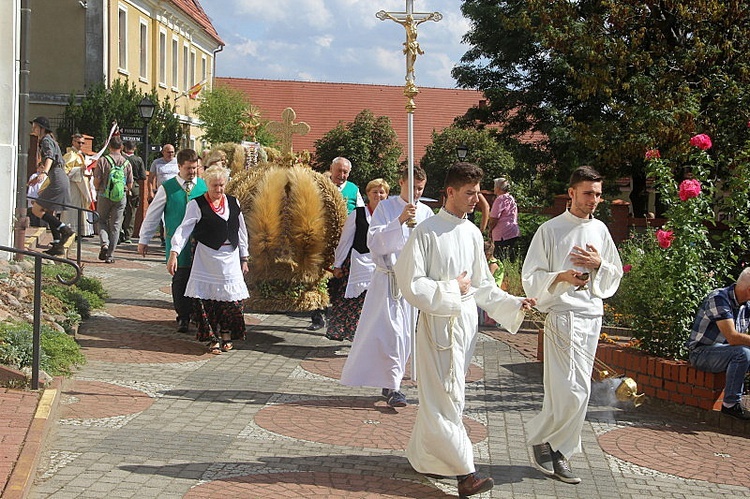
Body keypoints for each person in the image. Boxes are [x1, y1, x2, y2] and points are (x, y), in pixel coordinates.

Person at [394, 162, 536, 497]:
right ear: (450, 192)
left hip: (465, 328)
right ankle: (464, 473)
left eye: (478, 193)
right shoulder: (426, 232)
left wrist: (513, 303)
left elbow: (483, 285)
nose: (476, 199)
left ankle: (423, 456)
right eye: (469, 193)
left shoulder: (472, 233)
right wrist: (450, 289)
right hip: (437, 326)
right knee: (445, 396)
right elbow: (410, 283)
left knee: (449, 398)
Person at [522, 166, 623, 484]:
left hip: (591, 315)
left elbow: (614, 273)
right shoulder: (550, 230)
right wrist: (561, 277)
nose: (594, 200)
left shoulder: (601, 230)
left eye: (597, 194)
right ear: (571, 193)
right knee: (568, 388)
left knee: (577, 388)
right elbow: (530, 276)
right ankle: (550, 443)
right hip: (562, 315)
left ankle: (557, 448)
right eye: (588, 193)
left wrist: (598, 265)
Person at [339, 166, 433, 408]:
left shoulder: (426, 212)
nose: (416, 193)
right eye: (412, 187)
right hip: (388, 280)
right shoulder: (386, 207)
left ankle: (392, 381)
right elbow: (375, 242)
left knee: (405, 335)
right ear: (401, 182)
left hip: (411, 283)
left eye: (420, 189)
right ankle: (394, 387)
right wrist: (400, 221)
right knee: (392, 333)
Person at [167, 165, 250, 354]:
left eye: (221, 185)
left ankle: (227, 334)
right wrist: (174, 253)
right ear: (207, 185)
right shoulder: (196, 204)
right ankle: (212, 338)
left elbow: (241, 231)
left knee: (232, 301)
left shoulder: (233, 202)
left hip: (230, 257)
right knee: (207, 301)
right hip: (207, 257)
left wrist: (244, 257)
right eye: (214, 186)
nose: (218, 190)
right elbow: (184, 230)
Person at [138, 149, 207, 333]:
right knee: (180, 279)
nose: (192, 172)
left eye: (195, 168)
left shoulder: (203, 186)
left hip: (200, 244)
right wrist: (144, 239)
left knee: (199, 280)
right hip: (177, 244)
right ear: (179, 167)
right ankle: (182, 316)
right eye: (189, 168)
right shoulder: (168, 188)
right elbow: (153, 214)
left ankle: (196, 314)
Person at [326, 178, 390, 341]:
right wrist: (337, 264)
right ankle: (354, 336)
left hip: (381, 265)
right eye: (374, 192)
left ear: (387, 195)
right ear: (368, 194)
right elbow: (345, 240)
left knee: (377, 304)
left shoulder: (390, 216)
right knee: (355, 302)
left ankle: (372, 337)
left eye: (382, 192)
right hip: (358, 264)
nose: (378, 195)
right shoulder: (358, 214)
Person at [308, 156, 365, 331]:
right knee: (318, 278)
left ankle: (337, 318)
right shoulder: (320, 187)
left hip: (345, 242)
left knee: (339, 279)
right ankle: (317, 316)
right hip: (322, 241)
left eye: (345, 172)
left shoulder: (353, 189)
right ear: (331, 170)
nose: (342, 175)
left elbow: (361, 214)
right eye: (339, 171)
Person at [686, 269, 750, 420]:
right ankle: (730, 404)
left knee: (743, 352)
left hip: (726, 352)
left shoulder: (746, 304)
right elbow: (733, 337)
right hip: (701, 353)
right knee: (743, 353)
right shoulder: (719, 298)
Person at [29, 116, 76, 256]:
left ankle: (64, 230)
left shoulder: (45, 140)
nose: (33, 129)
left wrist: (43, 172)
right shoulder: (50, 140)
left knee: (36, 209)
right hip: (59, 177)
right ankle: (57, 244)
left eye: (35, 126)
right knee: (48, 211)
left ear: (42, 128)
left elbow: (49, 157)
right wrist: (39, 177)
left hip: (57, 179)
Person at [93, 136, 133, 264]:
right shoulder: (126, 162)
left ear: (109, 146)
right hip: (120, 197)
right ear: (121, 147)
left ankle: (104, 243)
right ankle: (110, 255)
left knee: (101, 220)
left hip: (104, 195)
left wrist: (98, 189)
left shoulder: (103, 160)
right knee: (116, 225)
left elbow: (97, 180)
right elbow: (130, 183)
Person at [61, 133, 94, 237]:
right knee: (71, 209)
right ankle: (69, 231)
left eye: (82, 143)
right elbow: (65, 171)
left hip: (81, 186)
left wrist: (88, 172)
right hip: (72, 186)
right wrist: (80, 169)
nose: (81, 144)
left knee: (80, 209)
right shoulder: (69, 155)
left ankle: (79, 232)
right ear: (73, 142)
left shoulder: (81, 155)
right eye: (79, 142)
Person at [148, 143, 178, 246]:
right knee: (162, 215)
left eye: (172, 152)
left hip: (175, 192)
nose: (171, 154)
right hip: (162, 192)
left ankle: (173, 236)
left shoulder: (177, 162)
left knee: (174, 214)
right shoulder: (157, 163)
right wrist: (151, 191)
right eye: (168, 152)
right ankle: (164, 238)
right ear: (163, 152)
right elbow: (150, 179)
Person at [120, 140, 148, 244]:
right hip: (134, 186)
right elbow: (143, 176)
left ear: (124, 147)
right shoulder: (138, 159)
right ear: (135, 148)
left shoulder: (121, 158)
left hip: (120, 186)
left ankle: (119, 232)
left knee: (119, 210)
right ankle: (128, 235)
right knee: (131, 212)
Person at [488, 177, 520, 260]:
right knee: (510, 258)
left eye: (494, 186)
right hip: (512, 231)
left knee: (499, 258)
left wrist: (489, 229)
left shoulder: (500, 199)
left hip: (502, 234)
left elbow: (494, 218)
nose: (493, 188)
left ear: (498, 188)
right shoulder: (510, 198)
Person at [27, 163, 48, 227]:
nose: (42, 169)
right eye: (41, 167)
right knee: (33, 219)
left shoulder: (47, 177)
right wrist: (32, 198)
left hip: (43, 200)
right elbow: (31, 188)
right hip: (34, 198)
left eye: (44, 168)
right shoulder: (34, 176)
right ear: (38, 168)